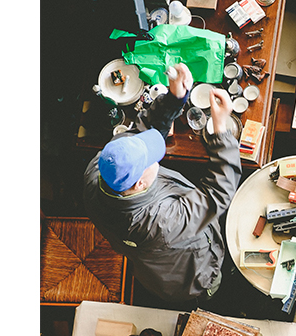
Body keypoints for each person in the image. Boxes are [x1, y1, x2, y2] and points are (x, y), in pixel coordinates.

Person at [83, 63, 243, 305]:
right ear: (138, 184)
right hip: (191, 278)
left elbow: (142, 131)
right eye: (150, 160)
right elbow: (218, 193)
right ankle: (214, 290)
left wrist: (174, 98)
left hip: (152, 261)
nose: (156, 157)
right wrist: (221, 131)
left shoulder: (101, 167)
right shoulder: (162, 222)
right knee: (213, 287)